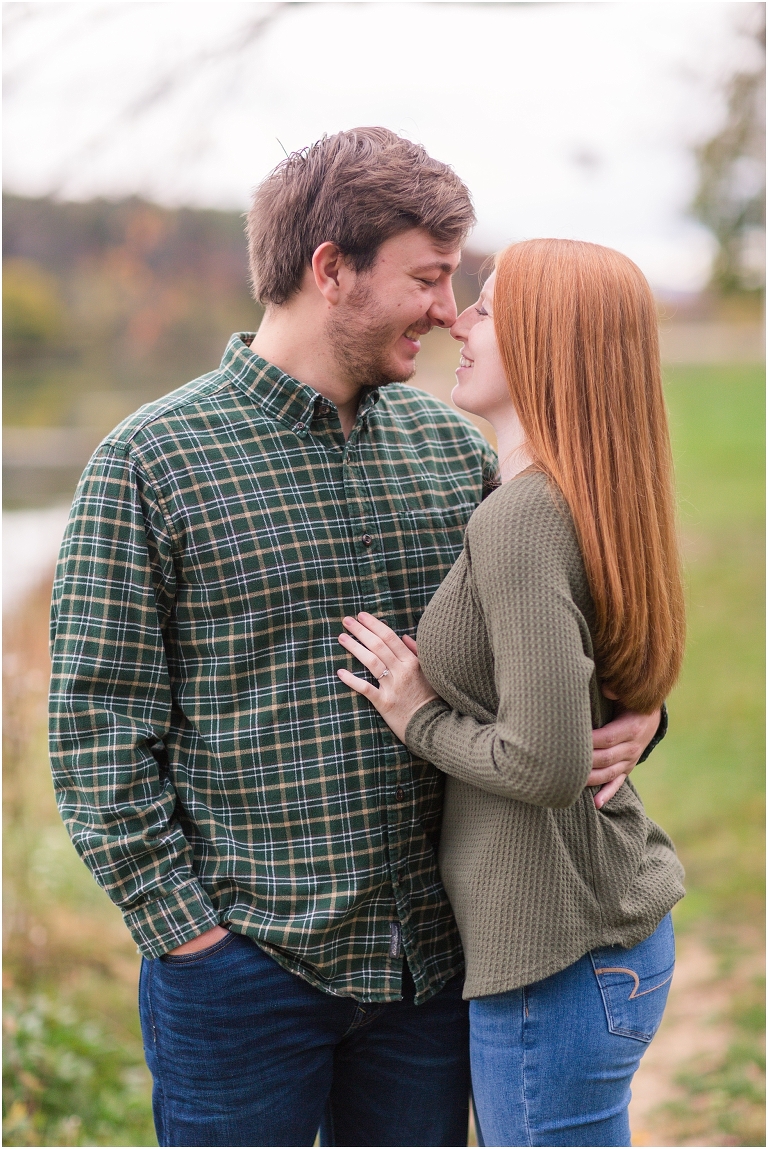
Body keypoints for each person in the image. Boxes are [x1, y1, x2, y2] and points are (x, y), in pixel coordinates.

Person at [49, 131, 664, 1149]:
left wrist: (641, 715)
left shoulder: (453, 451)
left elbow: (555, 652)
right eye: (427, 277)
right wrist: (189, 935)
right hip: (244, 975)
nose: (446, 308)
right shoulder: (150, 462)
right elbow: (93, 730)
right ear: (330, 269)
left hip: (432, 971)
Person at [338, 238, 685, 1148]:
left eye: (486, 307)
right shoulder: (577, 493)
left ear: (548, 343)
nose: (457, 318)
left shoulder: (520, 518)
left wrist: (418, 713)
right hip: (594, 936)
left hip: (554, 958)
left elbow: (544, 758)